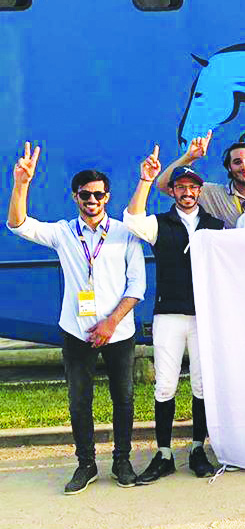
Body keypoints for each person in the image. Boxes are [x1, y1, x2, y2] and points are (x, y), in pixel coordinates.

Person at [7, 143, 146, 494]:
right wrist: (21, 184)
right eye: (85, 195)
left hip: (118, 332)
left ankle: (122, 460)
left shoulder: (125, 233)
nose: (92, 201)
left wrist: (111, 322)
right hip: (76, 330)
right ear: (75, 197)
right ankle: (86, 464)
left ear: (108, 197)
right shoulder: (63, 233)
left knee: (124, 398)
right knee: (79, 400)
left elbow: (137, 286)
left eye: (98, 195)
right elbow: (18, 224)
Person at [124, 147, 224, 482]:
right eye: (180, 187)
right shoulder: (160, 223)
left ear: (199, 191)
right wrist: (145, 181)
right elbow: (132, 220)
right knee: (164, 386)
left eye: (192, 188)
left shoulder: (215, 225)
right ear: (173, 191)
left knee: (201, 385)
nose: (186, 192)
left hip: (203, 316)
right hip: (168, 314)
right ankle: (164, 453)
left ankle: (197, 448)